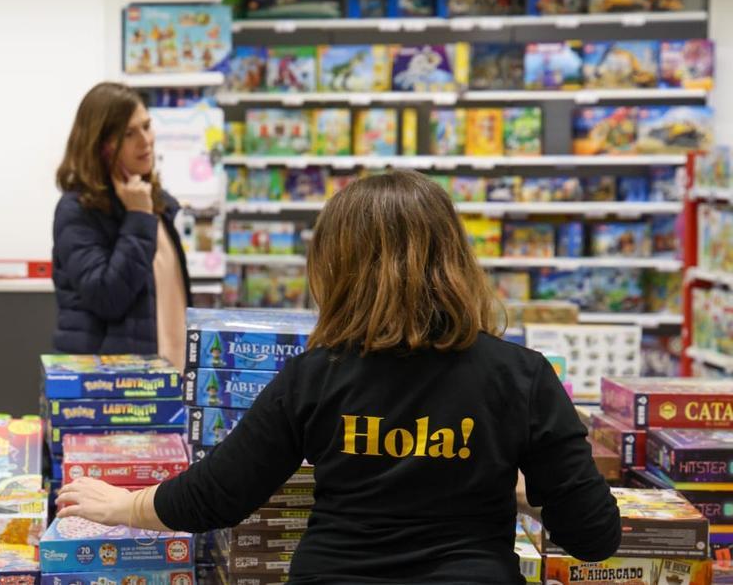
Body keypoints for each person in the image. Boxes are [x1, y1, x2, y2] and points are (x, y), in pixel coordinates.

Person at [56, 171, 620, 584]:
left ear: (339, 267)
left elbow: (218, 496)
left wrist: (124, 506)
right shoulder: (521, 376)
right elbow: (595, 537)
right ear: (455, 257)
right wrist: (523, 487)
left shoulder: (317, 374)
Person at [52, 83, 191, 368]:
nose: (146, 140)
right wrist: (138, 217)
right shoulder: (78, 210)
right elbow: (106, 298)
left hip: (169, 376)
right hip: (113, 387)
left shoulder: (156, 203)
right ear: (101, 145)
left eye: (147, 126)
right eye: (129, 134)